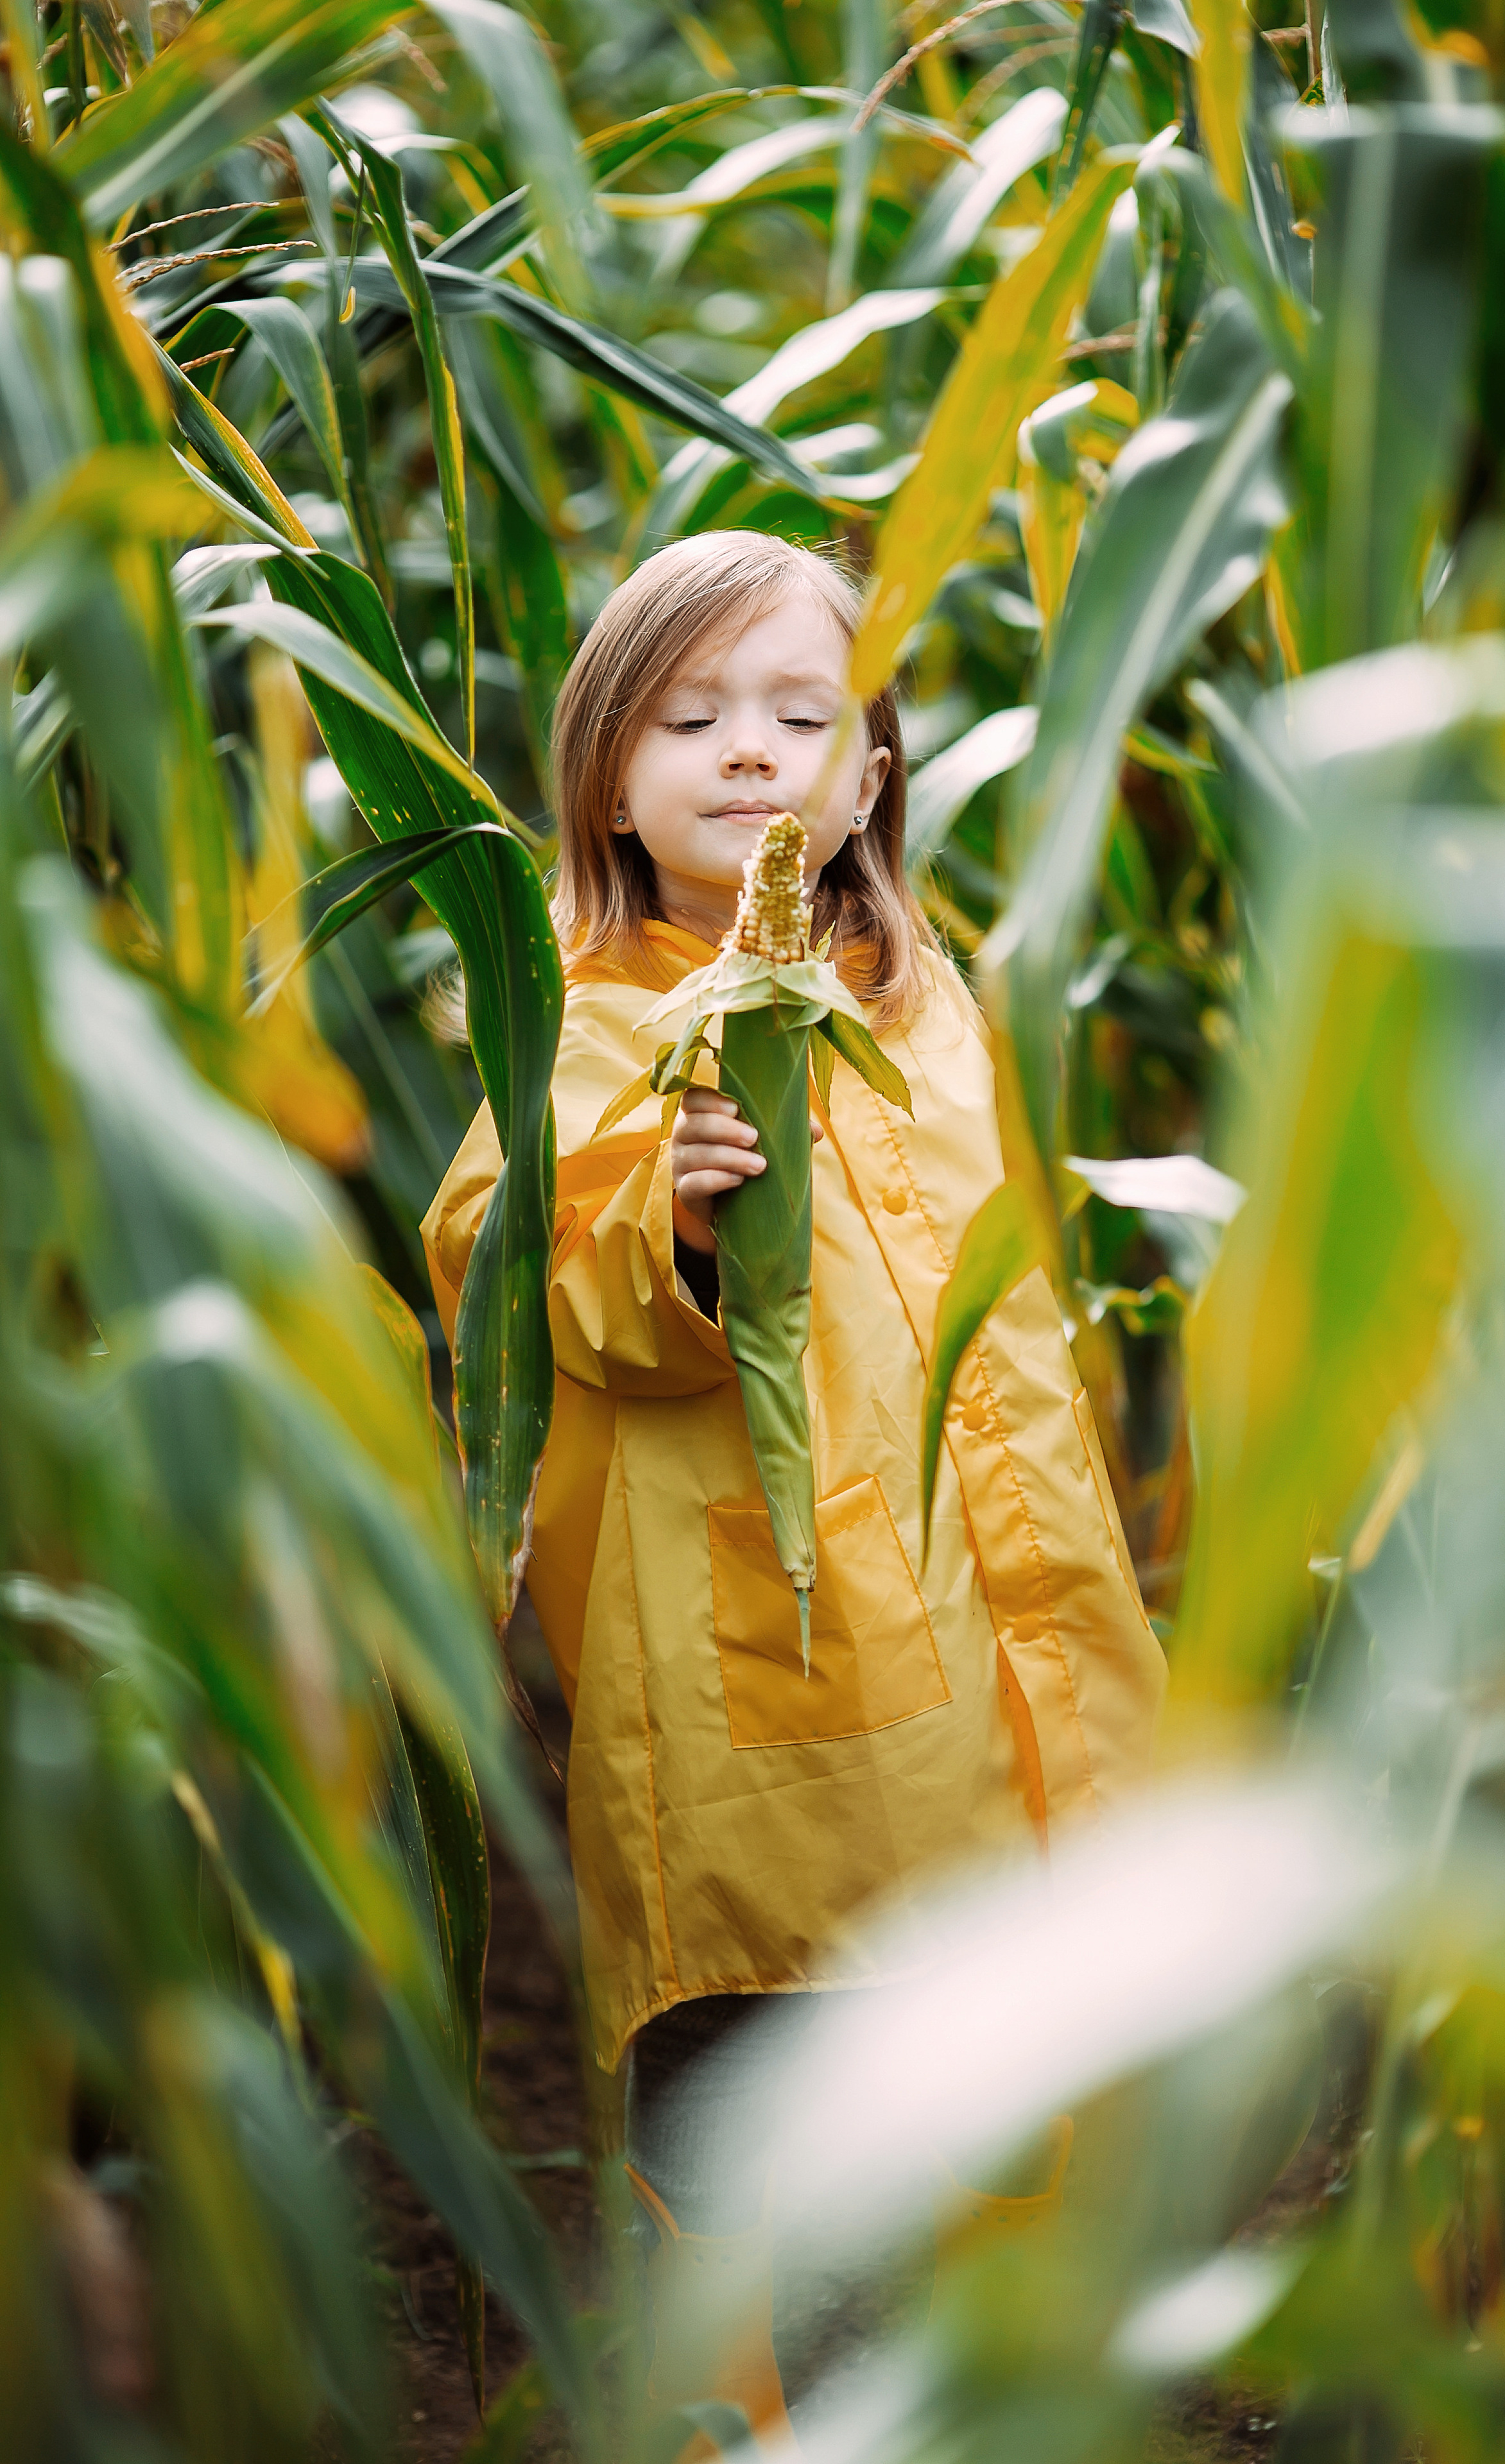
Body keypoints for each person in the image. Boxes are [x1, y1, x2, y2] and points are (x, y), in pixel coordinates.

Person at [421, 530, 1165, 2440]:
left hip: (1001, 1659)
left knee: (996, 2105)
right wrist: (651, 1226)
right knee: (755, 2136)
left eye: (800, 716)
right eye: (690, 716)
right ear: (603, 772)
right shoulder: (575, 1026)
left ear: (874, 776)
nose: (749, 752)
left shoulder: (924, 1001)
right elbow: (509, 1266)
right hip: (776, 1716)